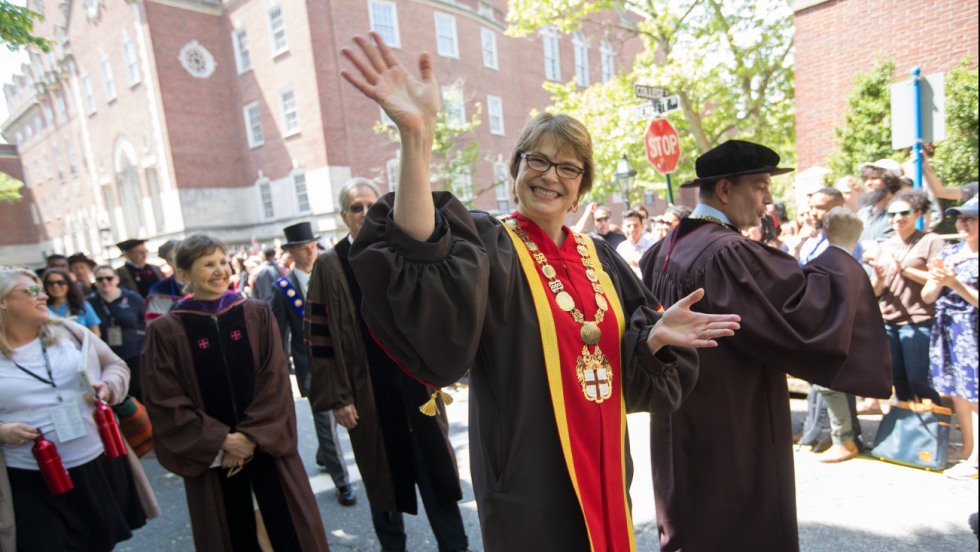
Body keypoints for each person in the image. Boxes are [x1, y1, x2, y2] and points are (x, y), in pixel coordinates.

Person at [338, 31, 740, 551]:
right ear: (516, 170)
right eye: (538, 160)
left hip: (605, 462)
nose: (551, 176)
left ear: (582, 185)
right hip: (525, 468)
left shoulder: (602, 258)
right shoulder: (487, 244)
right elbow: (419, 252)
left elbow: (636, 375)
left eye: (569, 167)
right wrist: (417, 136)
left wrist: (655, 339)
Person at [639, 139, 892, 551]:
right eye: (759, 186)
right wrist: (842, 250)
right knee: (737, 524)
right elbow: (801, 315)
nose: (768, 200)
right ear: (724, 189)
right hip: (734, 419)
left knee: (690, 512)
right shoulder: (728, 251)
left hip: (679, 416)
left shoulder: (663, 249)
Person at [307, 177, 470, 552]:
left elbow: (431, 315)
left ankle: (456, 546)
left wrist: (441, 367)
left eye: (371, 204)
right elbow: (320, 339)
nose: (365, 213)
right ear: (342, 215)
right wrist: (338, 397)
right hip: (367, 395)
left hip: (417, 387)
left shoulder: (398, 251)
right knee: (383, 481)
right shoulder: (330, 266)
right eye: (356, 207)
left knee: (437, 476)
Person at [141, 234, 329, 551]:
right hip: (214, 458)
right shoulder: (166, 330)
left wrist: (250, 437)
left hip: (265, 448)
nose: (220, 270)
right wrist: (220, 440)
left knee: (288, 532)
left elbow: (276, 380)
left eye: (222, 262)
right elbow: (164, 399)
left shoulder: (255, 313)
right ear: (184, 275)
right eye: (208, 264)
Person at [0, 268, 158, 551]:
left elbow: (115, 365)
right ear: (2, 302)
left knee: (99, 542)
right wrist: (2, 431)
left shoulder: (70, 332)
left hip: (94, 464)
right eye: (32, 291)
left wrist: (108, 387)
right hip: (30, 478)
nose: (44, 296)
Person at [270, 221, 355, 507]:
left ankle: (324, 456)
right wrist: (280, 374)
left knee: (339, 420)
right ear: (291, 252)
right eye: (304, 249)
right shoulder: (283, 289)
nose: (310, 253)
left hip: (342, 362)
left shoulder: (331, 274)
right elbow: (279, 335)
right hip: (310, 368)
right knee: (326, 424)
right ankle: (342, 483)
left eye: (312, 247)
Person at [791, 187, 865, 462]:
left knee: (829, 382)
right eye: (810, 206)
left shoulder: (846, 239)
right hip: (813, 316)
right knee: (819, 381)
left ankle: (844, 439)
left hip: (834, 317)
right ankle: (824, 434)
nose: (812, 213)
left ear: (838, 208)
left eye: (820, 207)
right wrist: (797, 245)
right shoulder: (811, 240)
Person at [868, 189, 945, 405]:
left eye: (903, 213)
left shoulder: (931, 241)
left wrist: (905, 270)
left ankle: (932, 428)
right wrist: (880, 280)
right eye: (891, 215)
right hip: (888, 320)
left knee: (919, 380)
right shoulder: (884, 246)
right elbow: (876, 291)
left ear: (918, 212)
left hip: (918, 320)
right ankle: (910, 432)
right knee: (898, 380)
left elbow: (939, 279)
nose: (897, 219)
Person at [923, 197, 978, 480]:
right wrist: (936, 281)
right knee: (957, 392)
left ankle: (977, 460)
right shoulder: (952, 252)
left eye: (970, 218)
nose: (962, 223)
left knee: (976, 394)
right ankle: (970, 449)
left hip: (974, 330)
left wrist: (955, 283)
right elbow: (927, 296)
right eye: (960, 218)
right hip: (950, 329)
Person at [87, 265, 147, 401]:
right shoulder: (89, 302)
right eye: (100, 279)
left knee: (138, 390)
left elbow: (146, 322)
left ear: (117, 279)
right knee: (117, 394)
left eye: (109, 278)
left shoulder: (133, 298)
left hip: (135, 353)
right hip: (106, 357)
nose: (105, 282)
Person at [43, 268, 101, 337]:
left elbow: (96, 333)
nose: (55, 286)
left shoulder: (82, 305)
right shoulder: (42, 308)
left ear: (68, 285)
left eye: (60, 282)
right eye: (50, 283)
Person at [857, 159, 904, 244]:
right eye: (866, 178)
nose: (868, 183)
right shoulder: (862, 214)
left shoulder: (900, 215)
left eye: (874, 178)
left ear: (890, 181)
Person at [145, 240, 184, 321]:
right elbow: (157, 325)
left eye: (183, 257)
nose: (181, 262)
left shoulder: (204, 284)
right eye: (174, 259)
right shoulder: (159, 292)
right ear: (168, 261)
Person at [616, 209, 656, 276]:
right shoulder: (621, 248)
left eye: (635, 225)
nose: (632, 229)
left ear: (642, 226)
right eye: (628, 226)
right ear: (623, 228)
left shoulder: (651, 246)